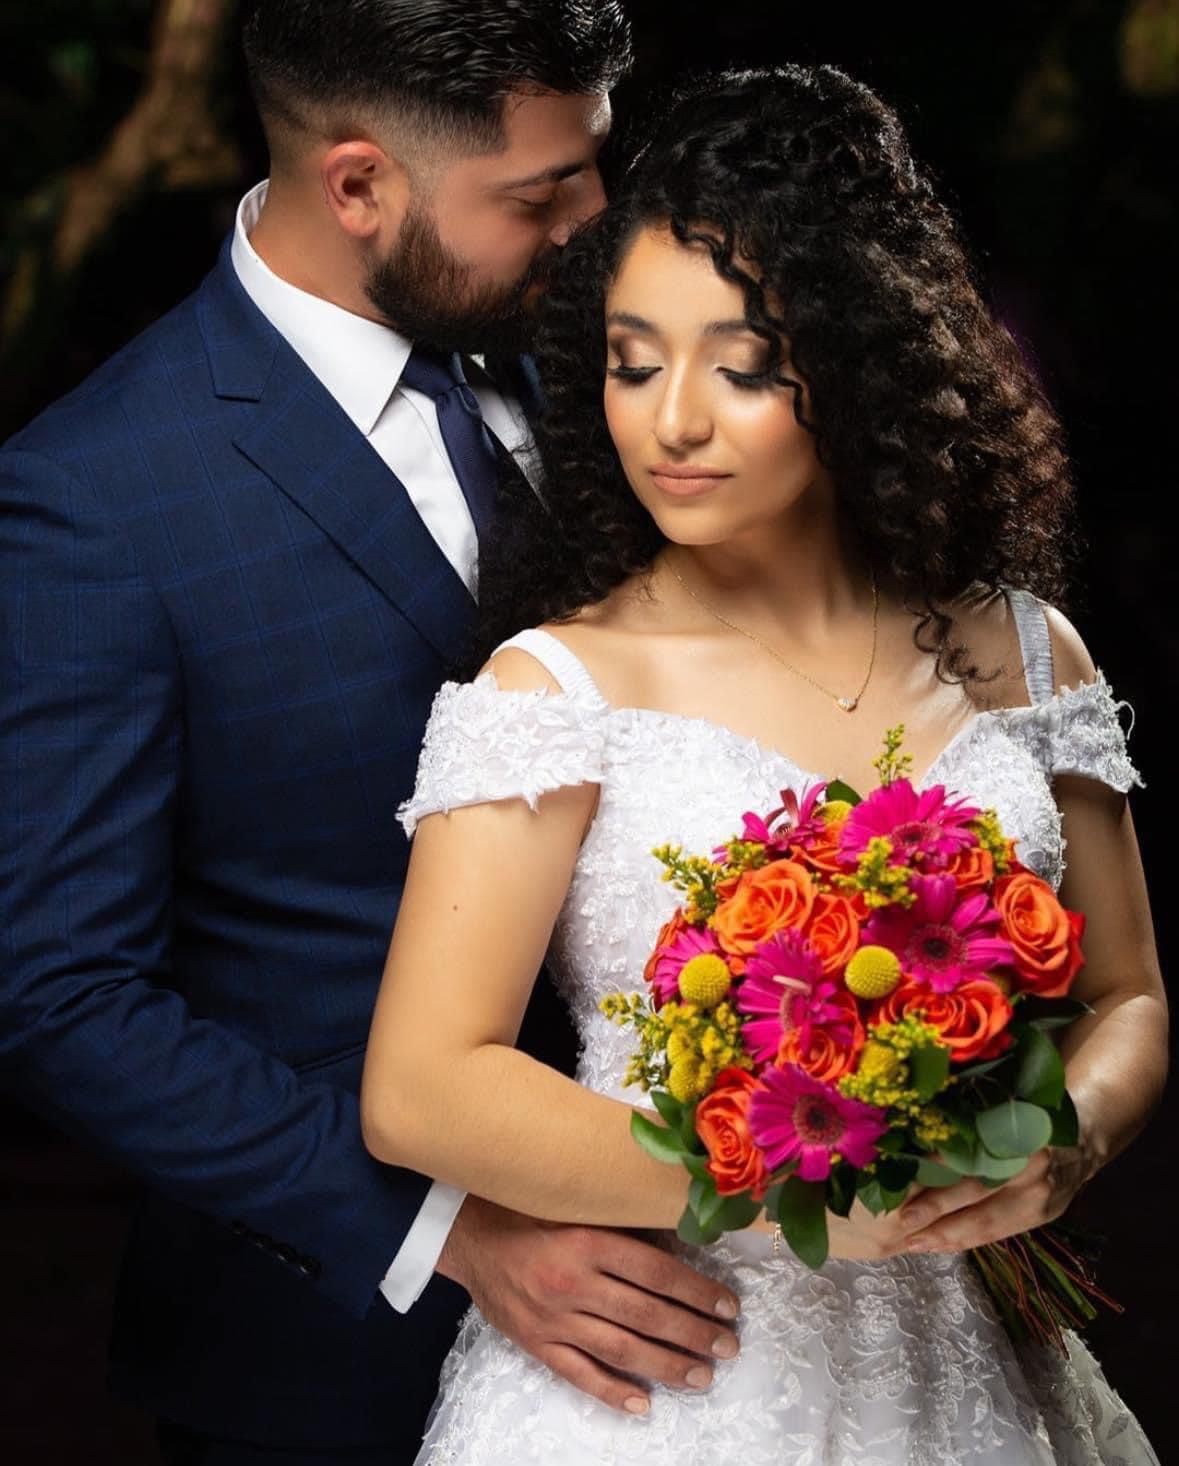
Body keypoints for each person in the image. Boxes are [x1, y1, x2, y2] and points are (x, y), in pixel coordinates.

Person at [360, 65, 1167, 1463]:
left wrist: (1065, 1141)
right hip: (666, 1379)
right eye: (630, 359)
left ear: (858, 371)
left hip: (975, 1360)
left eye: (738, 366)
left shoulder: (1033, 655)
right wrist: (769, 1170)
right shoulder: (557, 685)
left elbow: (1132, 994)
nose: (670, 419)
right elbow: (422, 1084)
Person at [0, 4, 750, 1462]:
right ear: (358, 186)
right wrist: (449, 1229)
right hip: (342, 1364)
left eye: (593, 166)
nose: (599, 225)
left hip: (733, 1303)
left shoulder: (623, 371)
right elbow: (58, 989)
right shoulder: (93, 498)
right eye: (541, 196)